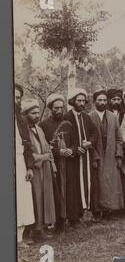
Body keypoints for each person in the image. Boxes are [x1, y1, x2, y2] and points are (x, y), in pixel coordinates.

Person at [21, 99, 56, 240]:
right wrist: (41, 157)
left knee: (44, 197)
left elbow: (46, 148)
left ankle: (42, 227)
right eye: (33, 113)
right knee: (34, 198)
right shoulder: (23, 131)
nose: (36, 115)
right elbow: (26, 152)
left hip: (44, 169)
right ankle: (32, 230)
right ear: (25, 114)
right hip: (32, 169)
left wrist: (51, 165)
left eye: (37, 112)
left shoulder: (39, 129)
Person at [63, 88, 98, 226]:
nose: (82, 103)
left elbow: (95, 133)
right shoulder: (67, 117)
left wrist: (89, 142)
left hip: (85, 157)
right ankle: (73, 217)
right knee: (73, 186)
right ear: (73, 101)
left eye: (83, 101)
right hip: (72, 159)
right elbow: (64, 136)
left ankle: (81, 214)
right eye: (79, 100)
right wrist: (75, 147)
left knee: (84, 183)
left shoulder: (86, 117)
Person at [40, 93, 73, 233]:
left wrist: (70, 150)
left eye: (61, 108)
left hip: (68, 164)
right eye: (56, 108)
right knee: (55, 190)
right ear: (50, 108)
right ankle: (56, 221)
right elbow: (44, 146)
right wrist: (58, 153)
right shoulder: (43, 125)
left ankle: (67, 219)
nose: (59, 111)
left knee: (68, 189)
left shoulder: (68, 124)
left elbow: (74, 141)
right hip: (52, 165)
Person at [89, 89, 124, 218]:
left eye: (104, 100)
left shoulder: (112, 117)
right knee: (97, 183)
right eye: (99, 100)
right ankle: (97, 211)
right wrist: (94, 157)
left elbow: (119, 138)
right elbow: (88, 138)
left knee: (112, 182)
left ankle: (111, 210)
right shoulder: (89, 117)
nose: (102, 103)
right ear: (94, 102)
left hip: (111, 155)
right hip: (97, 155)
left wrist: (119, 155)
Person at [14, 84, 35, 245]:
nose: (17, 100)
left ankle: (19, 238)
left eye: (19, 97)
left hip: (20, 161)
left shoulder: (20, 119)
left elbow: (27, 145)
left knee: (22, 198)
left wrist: (29, 166)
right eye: (14, 97)